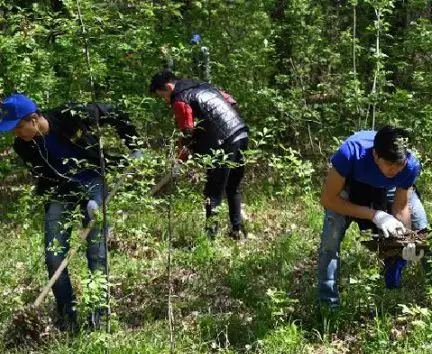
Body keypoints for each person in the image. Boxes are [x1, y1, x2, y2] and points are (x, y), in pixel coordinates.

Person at [0, 93, 139, 331]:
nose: (15, 134)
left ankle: (99, 314)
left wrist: (135, 146)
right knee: (54, 257)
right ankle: (67, 318)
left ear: (33, 119)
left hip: (93, 180)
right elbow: (44, 174)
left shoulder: (72, 115)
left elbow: (114, 113)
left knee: (96, 250)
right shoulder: (23, 146)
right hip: (58, 191)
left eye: (18, 127)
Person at [317, 126, 432, 315]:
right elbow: (328, 199)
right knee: (330, 240)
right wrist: (375, 215)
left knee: (424, 238)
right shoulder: (351, 152)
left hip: (390, 189)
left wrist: (405, 241)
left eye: (399, 166)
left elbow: (401, 207)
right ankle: (329, 308)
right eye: (390, 165)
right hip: (351, 187)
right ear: (376, 155)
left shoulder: (409, 165)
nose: (395, 170)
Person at [149, 69, 249, 239]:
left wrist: (181, 159)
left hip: (223, 142)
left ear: (168, 87)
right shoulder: (204, 86)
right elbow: (231, 101)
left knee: (213, 191)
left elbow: (187, 131)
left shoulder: (180, 99)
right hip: (241, 132)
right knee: (232, 187)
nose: (165, 100)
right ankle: (237, 230)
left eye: (162, 96)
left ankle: (210, 239)